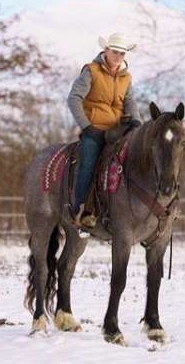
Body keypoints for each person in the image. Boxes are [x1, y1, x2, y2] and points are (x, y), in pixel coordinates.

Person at [67, 33, 142, 235]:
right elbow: (73, 99)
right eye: (115, 52)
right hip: (94, 129)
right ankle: (81, 212)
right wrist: (86, 126)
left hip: (118, 129)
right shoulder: (91, 71)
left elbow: (130, 101)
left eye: (122, 53)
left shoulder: (127, 77)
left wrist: (137, 121)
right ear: (106, 50)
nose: (118, 56)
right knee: (89, 162)